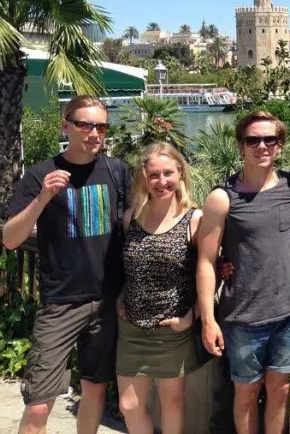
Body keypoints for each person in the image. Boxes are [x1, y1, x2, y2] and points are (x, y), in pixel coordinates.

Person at [2, 95, 128, 434]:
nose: (93, 133)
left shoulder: (116, 171)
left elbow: (136, 222)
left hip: (106, 301)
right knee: (40, 402)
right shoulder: (40, 174)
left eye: (100, 126)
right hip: (60, 303)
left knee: (94, 390)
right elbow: (11, 238)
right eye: (84, 125)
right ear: (66, 125)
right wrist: (43, 197)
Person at [198, 111, 290, 434]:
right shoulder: (222, 197)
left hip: (289, 312)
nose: (262, 146)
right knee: (246, 393)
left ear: (279, 146)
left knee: (281, 389)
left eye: (269, 139)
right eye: (253, 140)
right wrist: (208, 319)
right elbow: (205, 259)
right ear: (240, 146)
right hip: (243, 316)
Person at [116, 142, 203, 434]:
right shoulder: (131, 218)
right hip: (131, 328)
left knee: (171, 404)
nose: (161, 182)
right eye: (154, 175)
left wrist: (192, 316)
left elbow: (210, 272)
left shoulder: (194, 219)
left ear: (180, 174)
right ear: (144, 177)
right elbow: (129, 267)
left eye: (168, 173)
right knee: (129, 405)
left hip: (172, 330)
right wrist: (120, 297)